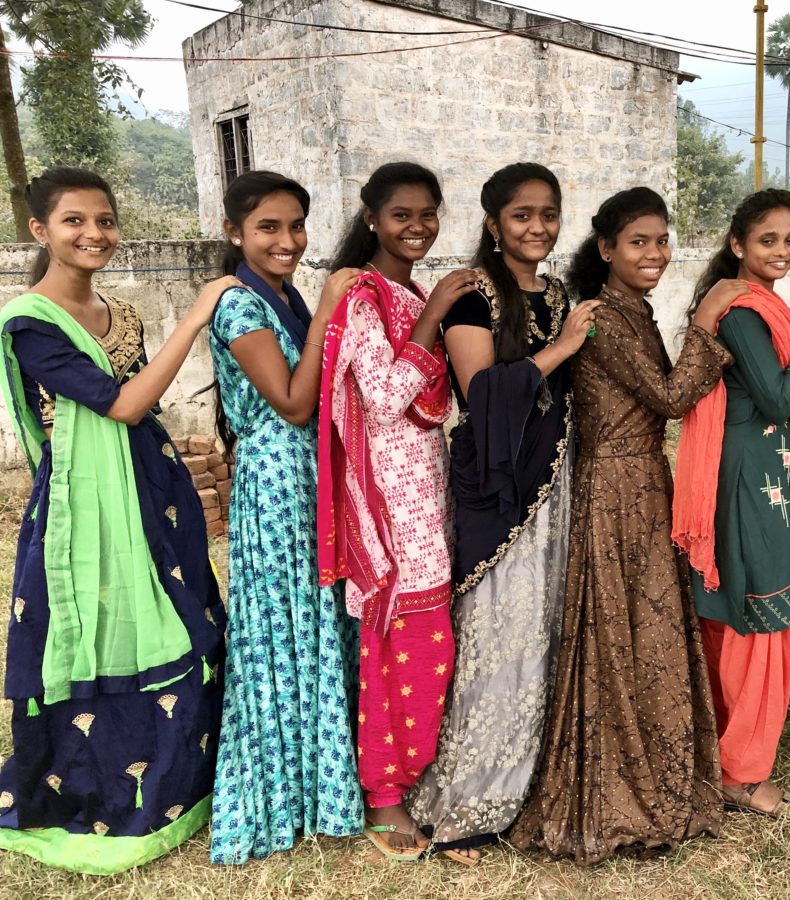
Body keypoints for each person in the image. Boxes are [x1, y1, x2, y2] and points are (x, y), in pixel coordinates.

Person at [0, 167, 231, 873]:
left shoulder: (121, 312)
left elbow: (144, 413)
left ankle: (188, 780)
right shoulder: (31, 323)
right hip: (85, 508)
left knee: (183, 609)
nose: (93, 234)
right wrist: (195, 316)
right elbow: (123, 404)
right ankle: (103, 788)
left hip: (150, 488)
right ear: (40, 231)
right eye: (74, 221)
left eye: (104, 220)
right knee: (103, 635)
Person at [511, 187, 743, 863]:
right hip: (613, 486)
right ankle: (619, 791)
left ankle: (650, 772)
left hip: (641, 481)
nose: (655, 253)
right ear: (607, 249)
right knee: (617, 635)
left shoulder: (633, 310)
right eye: (639, 241)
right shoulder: (604, 318)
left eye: (662, 240)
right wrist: (705, 323)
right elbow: (670, 397)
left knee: (642, 635)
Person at [406, 163, 599, 864]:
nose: (537, 228)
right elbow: (481, 395)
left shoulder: (558, 292)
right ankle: (461, 808)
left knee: (538, 639)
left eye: (548, 214)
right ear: (494, 223)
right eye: (522, 215)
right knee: (495, 642)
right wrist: (564, 348)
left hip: (554, 483)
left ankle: (518, 792)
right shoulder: (470, 294)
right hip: (497, 489)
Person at [316, 162, 480, 859]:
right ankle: (384, 798)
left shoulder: (407, 293)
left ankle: (414, 782)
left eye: (428, 214)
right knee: (399, 649)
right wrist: (438, 310)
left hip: (426, 491)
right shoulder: (363, 297)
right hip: (388, 506)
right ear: (372, 216)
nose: (417, 227)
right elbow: (381, 399)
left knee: (430, 647)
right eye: (402, 215)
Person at [673, 189, 790, 816]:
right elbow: (779, 398)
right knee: (759, 607)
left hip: (769, 466)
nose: (781, 251)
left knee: (750, 604)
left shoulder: (767, 307)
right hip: (748, 470)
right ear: (737, 246)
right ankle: (742, 773)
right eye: (767, 240)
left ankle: (732, 756)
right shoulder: (743, 313)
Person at [206, 171, 363, 864]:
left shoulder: (283, 296)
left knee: (315, 627)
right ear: (235, 231)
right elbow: (293, 404)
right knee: (281, 635)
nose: (289, 240)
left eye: (297, 225)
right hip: (276, 478)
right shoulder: (241, 306)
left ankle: (320, 791)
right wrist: (330, 306)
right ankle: (273, 797)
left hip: (309, 476)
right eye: (270, 227)